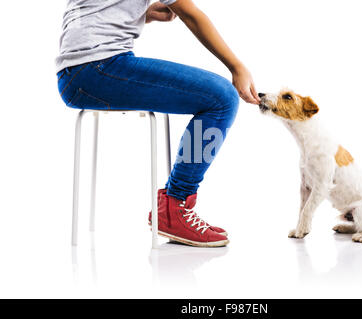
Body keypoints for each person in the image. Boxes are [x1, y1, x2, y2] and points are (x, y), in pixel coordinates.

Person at [56, 0, 260, 247]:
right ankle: (176, 205)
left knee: (218, 97)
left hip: (74, 75)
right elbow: (191, 15)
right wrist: (237, 67)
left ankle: (173, 206)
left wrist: (142, 14)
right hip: (99, 67)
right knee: (222, 97)